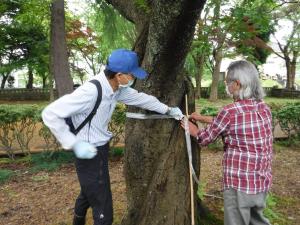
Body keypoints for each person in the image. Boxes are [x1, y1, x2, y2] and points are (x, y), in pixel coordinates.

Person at [42, 49, 183, 225]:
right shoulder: (91, 91)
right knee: (103, 211)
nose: (133, 79)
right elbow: (50, 113)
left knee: (88, 192)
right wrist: (73, 143)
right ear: (119, 75)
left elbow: (141, 99)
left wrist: (168, 110)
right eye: (131, 75)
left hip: (99, 149)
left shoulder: (116, 88)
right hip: (88, 153)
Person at [181, 60, 273, 225]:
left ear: (237, 84)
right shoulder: (263, 108)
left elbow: (204, 138)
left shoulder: (230, 112)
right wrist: (201, 118)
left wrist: (190, 127)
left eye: (228, 82)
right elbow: (232, 124)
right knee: (257, 221)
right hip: (260, 182)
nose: (227, 86)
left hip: (239, 184)